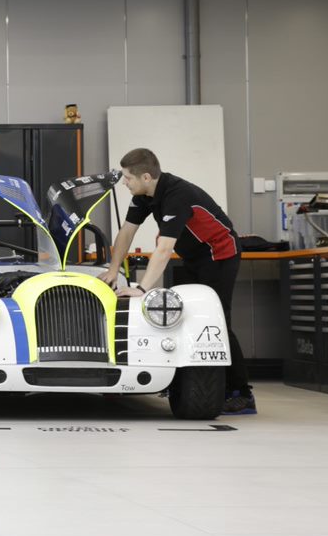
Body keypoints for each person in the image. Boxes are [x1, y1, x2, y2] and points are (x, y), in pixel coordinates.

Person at [97, 148, 256, 414]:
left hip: (219, 256)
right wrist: (113, 270)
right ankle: (182, 381)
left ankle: (240, 392)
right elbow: (126, 232)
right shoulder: (143, 196)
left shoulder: (177, 195)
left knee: (216, 324)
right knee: (179, 316)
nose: (124, 182)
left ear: (145, 176)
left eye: (127, 177)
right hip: (193, 257)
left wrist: (143, 288)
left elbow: (164, 249)